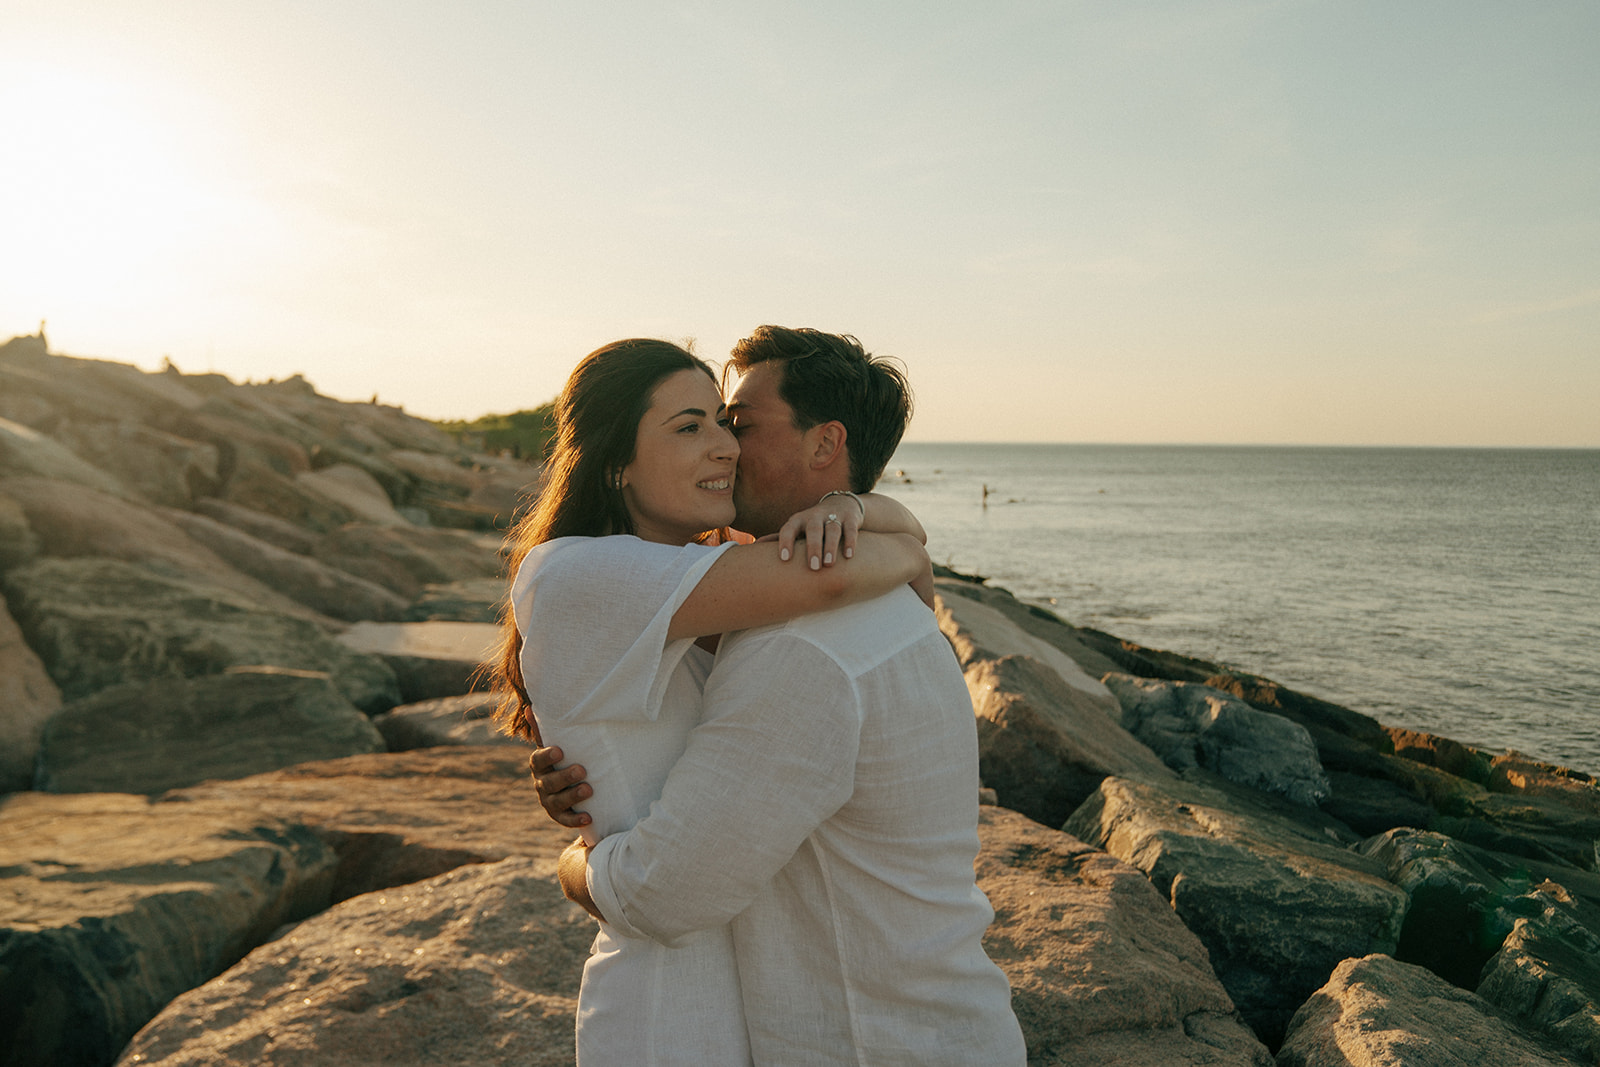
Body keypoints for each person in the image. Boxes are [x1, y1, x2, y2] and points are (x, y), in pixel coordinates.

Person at [534, 326, 1027, 1065]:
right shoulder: (823, 600)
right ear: (616, 460)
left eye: (738, 423)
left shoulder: (796, 637)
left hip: (870, 1041)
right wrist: (871, 518)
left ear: (825, 443)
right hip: (847, 1024)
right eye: (700, 425)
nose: (727, 446)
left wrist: (575, 862)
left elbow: (663, 892)